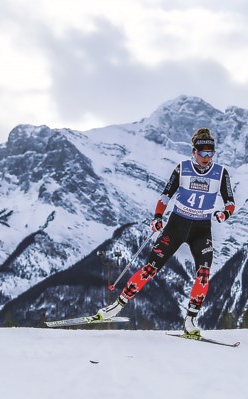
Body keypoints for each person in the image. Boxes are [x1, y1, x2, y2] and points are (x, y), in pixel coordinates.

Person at [95, 127, 236, 336]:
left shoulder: (220, 173)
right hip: (177, 225)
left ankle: (190, 321)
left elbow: (230, 202)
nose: (207, 157)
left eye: (210, 153)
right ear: (194, 151)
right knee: (150, 268)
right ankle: (115, 307)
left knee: (204, 275)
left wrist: (224, 214)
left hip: (202, 229)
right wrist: (158, 218)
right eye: (202, 153)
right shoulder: (183, 169)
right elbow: (165, 196)